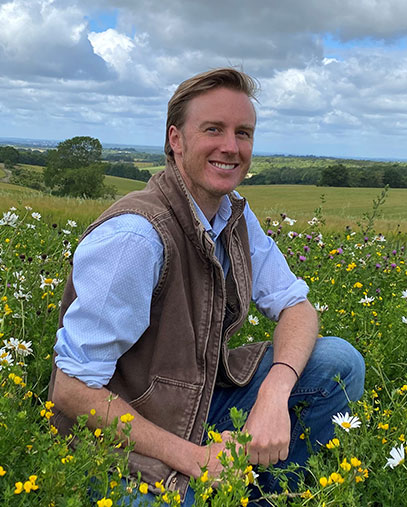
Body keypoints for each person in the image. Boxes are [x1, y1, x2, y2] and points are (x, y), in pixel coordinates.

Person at [47, 67, 365, 505]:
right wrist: (196, 459)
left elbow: (298, 307)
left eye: (244, 133)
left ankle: (263, 496)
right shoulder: (138, 237)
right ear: (176, 140)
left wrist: (274, 393)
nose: (231, 147)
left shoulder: (231, 216)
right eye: (213, 129)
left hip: (198, 401)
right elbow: (71, 389)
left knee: (338, 363)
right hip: (121, 436)